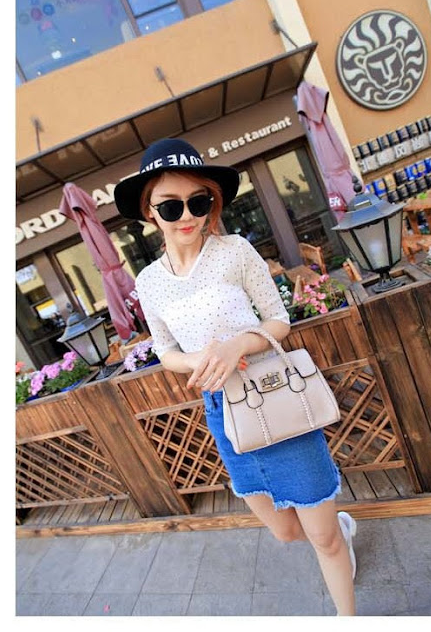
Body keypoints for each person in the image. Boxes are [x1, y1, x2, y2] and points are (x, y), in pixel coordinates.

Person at [114, 138, 357, 616]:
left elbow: (278, 320)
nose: (187, 215)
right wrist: (199, 360)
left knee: (322, 538)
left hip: (274, 394)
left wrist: (237, 345)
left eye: (199, 201)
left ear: (212, 202)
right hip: (223, 411)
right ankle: (343, 529)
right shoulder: (148, 283)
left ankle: (343, 584)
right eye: (171, 206)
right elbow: (165, 352)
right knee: (286, 532)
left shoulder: (235, 251)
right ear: (149, 211)